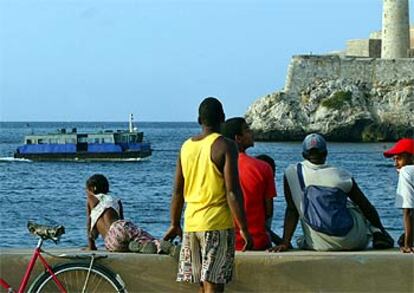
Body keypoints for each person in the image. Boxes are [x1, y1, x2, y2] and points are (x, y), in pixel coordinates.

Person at [163, 98, 252, 292]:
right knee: (214, 282)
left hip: (191, 224)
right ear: (222, 118)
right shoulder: (225, 145)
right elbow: (232, 191)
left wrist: (174, 223)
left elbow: (178, 191)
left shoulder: (186, 147)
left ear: (198, 120)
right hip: (216, 224)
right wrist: (244, 227)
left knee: (202, 284)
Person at [270, 133, 394, 252]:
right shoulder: (341, 175)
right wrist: (382, 229)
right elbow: (366, 206)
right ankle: (378, 233)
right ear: (326, 153)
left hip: (319, 245)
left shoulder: (290, 172)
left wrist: (285, 241)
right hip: (354, 241)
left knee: (301, 239)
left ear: (303, 154)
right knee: (354, 205)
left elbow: (292, 210)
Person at [221, 117, 281, 250]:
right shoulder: (263, 167)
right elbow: (268, 211)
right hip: (256, 241)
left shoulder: (218, 168)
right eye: (247, 130)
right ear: (238, 138)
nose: (252, 133)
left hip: (225, 242)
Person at [86, 173, 177, 255]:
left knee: (123, 246)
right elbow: (122, 222)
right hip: (118, 228)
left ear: (93, 188)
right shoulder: (116, 200)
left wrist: (91, 246)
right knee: (140, 237)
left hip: (110, 242)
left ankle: (136, 246)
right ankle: (159, 245)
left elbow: (89, 223)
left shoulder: (91, 199)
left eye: (87, 189)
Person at [383, 138, 414, 253]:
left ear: (412, 158)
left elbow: (409, 211)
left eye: (399, 158)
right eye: (394, 159)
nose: (395, 164)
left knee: (403, 241)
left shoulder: (406, 171)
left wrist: (408, 245)